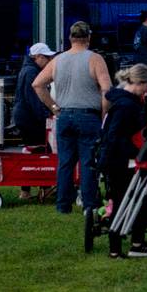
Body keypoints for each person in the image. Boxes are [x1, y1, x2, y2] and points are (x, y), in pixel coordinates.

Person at [32, 21, 112, 213]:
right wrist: (103, 113)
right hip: (88, 115)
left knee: (65, 162)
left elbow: (37, 84)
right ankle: (89, 205)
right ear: (89, 38)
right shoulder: (95, 59)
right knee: (87, 162)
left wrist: (54, 108)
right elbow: (107, 88)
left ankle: (62, 205)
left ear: (70, 38)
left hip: (65, 116)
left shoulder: (58, 60)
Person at [99, 64, 147, 258]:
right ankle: (119, 247)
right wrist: (135, 152)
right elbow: (115, 136)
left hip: (117, 158)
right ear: (140, 83)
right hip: (121, 160)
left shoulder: (122, 101)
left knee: (130, 200)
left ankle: (130, 244)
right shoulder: (127, 106)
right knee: (124, 201)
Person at [13, 42, 55, 151]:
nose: (49, 60)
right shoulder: (31, 72)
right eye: (47, 57)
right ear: (39, 57)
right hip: (30, 119)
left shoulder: (28, 70)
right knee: (40, 148)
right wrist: (45, 116)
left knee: (35, 148)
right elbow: (34, 99)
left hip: (25, 117)